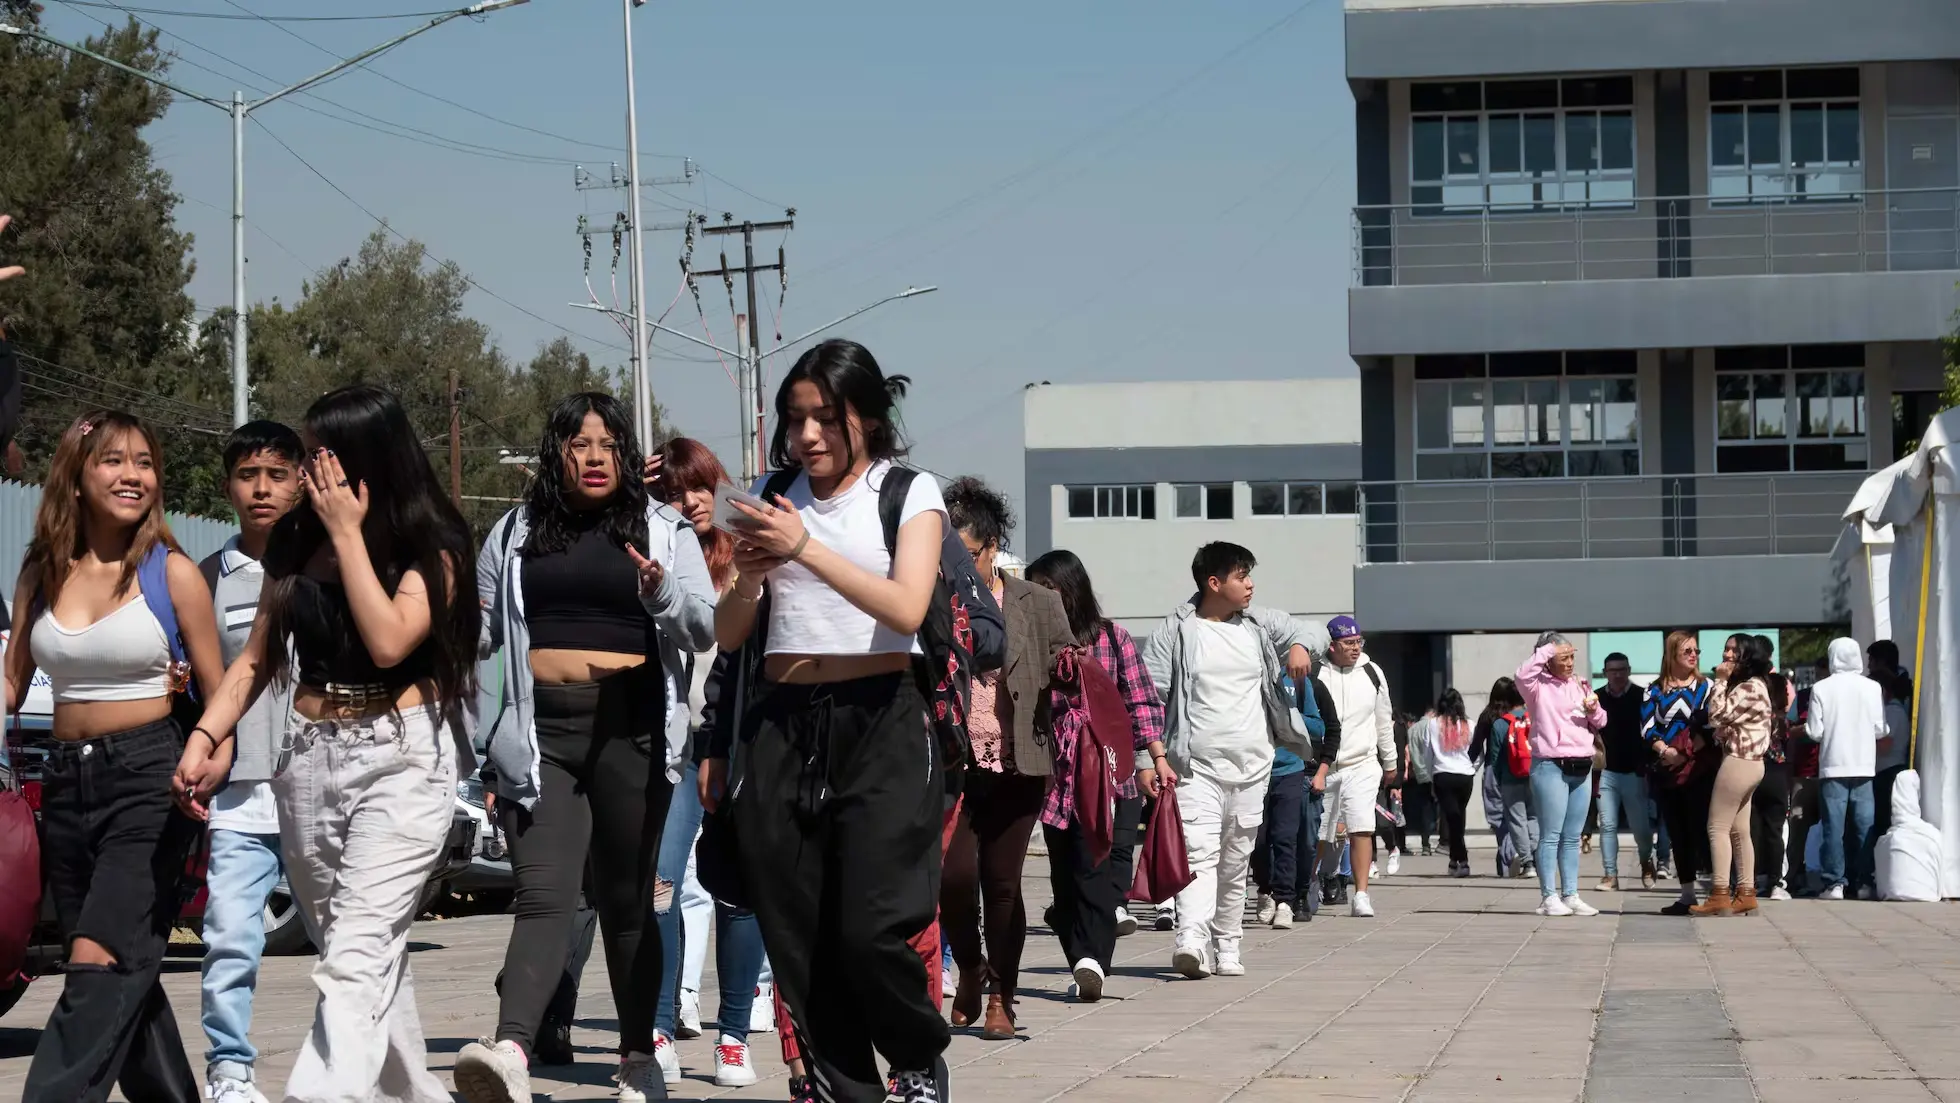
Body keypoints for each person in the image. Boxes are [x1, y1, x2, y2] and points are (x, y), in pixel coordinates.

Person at [173, 385, 481, 1103]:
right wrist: (206, 732)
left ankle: (319, 1094)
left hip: (400, 761)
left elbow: (387, 641)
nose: (305, 469)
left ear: (367, 458)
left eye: (320, 454)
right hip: (309, 760)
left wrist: (348, 534)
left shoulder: (433, 544)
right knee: (368, 956)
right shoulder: (291, 538)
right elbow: (255, 659)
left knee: (353, 958)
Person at [702, 339, 953, 1103]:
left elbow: (907, 606)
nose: (807, 435)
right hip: (782, 723)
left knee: (872, 925)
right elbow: (732, 631)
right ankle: (851, 1089)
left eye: (825, 418)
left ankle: (916, 1056)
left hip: (880, 719)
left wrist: (803, 548)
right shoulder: (773, 494)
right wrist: (749, 572)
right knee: (799, 934)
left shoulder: (908, 494)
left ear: (868, 418)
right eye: (794, 418)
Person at [457, 393, 717, 1102]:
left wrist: (661, 594)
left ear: (626, 455)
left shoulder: (663, 530)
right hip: (541, 734)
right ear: (557, 454)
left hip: (631, 727)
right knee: (544, 895)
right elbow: (480, 633)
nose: (595, 455)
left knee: (629, 903)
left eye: (607, 443)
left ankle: (637, 1056)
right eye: (579, 442)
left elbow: (702, 628)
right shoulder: (513, 532)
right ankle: (511, 1047)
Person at [11, 410, 224, 1103]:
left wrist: (210, 763)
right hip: (65, 783)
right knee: (121, 966)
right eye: (112, 460)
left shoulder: (175, 574)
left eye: (143, 461)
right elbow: (11, 681)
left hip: (149, 780)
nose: (132, 474)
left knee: (96, 961)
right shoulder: (41, 570)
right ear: (76, 476)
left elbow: (223, 701)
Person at [644, 435, 770, 1089]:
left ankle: (731, 1037)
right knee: (660, 887)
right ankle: (660, 1026)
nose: (687, 502)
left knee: (738, 893)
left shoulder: (745, 549)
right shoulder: (657, 545)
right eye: (671, 493)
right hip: (675, 748)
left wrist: (725, 508)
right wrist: (638, 500)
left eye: (698, 488)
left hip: (740, 745)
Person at [1140, 542, 1317, 975]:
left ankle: (1228, 945)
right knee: (1200, 854)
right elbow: (1146, 697)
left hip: (1254, 765)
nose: (1250, 584)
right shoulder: (1176, 631)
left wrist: (1299, 646)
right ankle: (1192, 941)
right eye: (1241, 576)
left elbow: (1314, 630)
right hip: (1195, 767)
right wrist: (1146, 761)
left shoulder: (1258, 624)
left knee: (1236, 861)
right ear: (1214, 583)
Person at [937, 477, 1071, 1037]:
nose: (957, 567)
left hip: (1020, 759)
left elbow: (1065, 656)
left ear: (991, 547)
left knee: (1003, 883)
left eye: (966, 555)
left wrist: (1065, 666)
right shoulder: (931, 594)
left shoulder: (1037, 601)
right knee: (954, 878)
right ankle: (970, 967)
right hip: (955, 759)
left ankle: (1003, 996)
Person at [197, 422, 305, 1103]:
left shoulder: (329, 564)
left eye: (275, 473)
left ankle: (364, 1065)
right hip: (240, 795)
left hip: (324, 791)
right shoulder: (209, 576)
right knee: (230, 937)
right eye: (247, 475)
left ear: (301, 480)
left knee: (357, 943)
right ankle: (229, 1070)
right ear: (229, 487)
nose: (261, 488)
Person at [1023, 550, 1168, 997]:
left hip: (1103, 768)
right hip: (1051, 771)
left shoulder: (1112, 638)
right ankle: (1079, 958)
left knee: (1094, 864)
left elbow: (1140, 701)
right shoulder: (1029, 641)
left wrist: (1156, 758)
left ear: (1072, 588)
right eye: (1035, 590)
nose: (1042, 598)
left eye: (1049, 588)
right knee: (1063, 874)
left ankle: (1093, 958)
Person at [1515, 632, 1607, 917]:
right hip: (1550, 765)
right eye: (1563, 657)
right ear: (1548, 658)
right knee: (1551, 834)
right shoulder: (1536, 685)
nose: (1569, 663)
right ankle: (1548, 896)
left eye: (1571, 657)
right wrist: (1548, 650)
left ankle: (1571, 894)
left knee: (1572, 836)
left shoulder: (1580, 684)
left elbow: (1602, 721)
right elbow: (1521, 674)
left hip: (1581, 763)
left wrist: (1594, 710)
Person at [1695, 635, 1782, 916]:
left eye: (1735, 650)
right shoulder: (1757, 685)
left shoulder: (1747, 687)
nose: (1727, 654)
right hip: (1753, 763)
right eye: (1727, 648)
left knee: (1716, 827)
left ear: (1747, 656)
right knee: (1739, 830)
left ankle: (1719, 893)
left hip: (1740, 762)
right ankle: (1746, 892)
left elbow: (1716, 716)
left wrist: (1719, 680)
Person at [1316, 615, 1397, 918]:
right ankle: (1307, 888)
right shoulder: (1317, 672)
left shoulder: (1372, 672)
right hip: (1325, 766)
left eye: (1358, 642)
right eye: (1348, 643)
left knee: (1362, 827)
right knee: (1319, 832)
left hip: (1362, 763)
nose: (1354, 648)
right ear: (1332, 645)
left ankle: (1361, 894)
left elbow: (1383, 720)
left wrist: (1390, 763)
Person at [1253, 663, 1338, 928]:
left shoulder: (1300, 683)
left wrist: (1285, 716)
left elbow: (1319, 726)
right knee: (1258, 840)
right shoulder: (1246, 676)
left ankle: (1285, 902)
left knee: (1287, 839)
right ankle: (1265, 889)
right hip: (1254, 771)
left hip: (1291, 770)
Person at [1644, 631, 1718, 916]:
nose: (1693, 655)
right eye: (1687, 650)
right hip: (1667, 771)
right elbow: (1647, 727)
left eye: (1696, 651)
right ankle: (1687, 894)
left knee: (1703, 830)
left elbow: (1713, 724)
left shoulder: (1706, 686)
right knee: (1677, 832)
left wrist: (1685, 752)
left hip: (1700, 769)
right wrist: (1666, 752)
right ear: (1672, 653)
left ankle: (1716, 890)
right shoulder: (1654, 689)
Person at [1809, 636, 1887, 901]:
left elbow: (1815, 731)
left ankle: (1834, 884)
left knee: (1834, 828)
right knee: (1864, 827)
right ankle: (1864, 882)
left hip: (1832, 765)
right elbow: (1880, 729)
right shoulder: (1872, 687)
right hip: (1864, 765)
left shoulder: (1821, 688)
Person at [1592, 652, 1653, 892]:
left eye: (1621, 669)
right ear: (1605, 672)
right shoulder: (1595, 698)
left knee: (1640, 827)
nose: (1617, 674)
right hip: (1606, 771)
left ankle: (1647, 861)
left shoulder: (1642, 696)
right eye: (1612, 670)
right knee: (1607, 824)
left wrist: (1645, 763)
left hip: (1634, 772)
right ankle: (1610, 874)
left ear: (1628, 670)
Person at [1471, 678, 1533, 878]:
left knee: (1500, 821)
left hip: (1495, 770)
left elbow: (1476, 747)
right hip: (1526, 770)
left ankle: (1512, 855)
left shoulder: (1490, 717)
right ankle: (1522, 856)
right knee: (1525, 817)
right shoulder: (1524, 718)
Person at [1747, 635, 1794, 902]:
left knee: (1750, 826)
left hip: (1750, 760)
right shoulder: (1779, 684)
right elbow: (1786, 719)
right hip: (1775, 761)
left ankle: (1750, 879)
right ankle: (1776, 881)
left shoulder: (1743, 684)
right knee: (1775, 826)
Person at [1416, 689, 1476, 878]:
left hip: (1443, 774)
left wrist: (1430, 772)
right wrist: (1473, 767)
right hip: (1465, 775)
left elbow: (1427, 752)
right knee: (1456, 818)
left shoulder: (1433, 724)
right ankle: (1455, 861)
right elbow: (1477, 752)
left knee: (1454, 818)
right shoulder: (1469, 724)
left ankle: (1461, 860)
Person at [1786, 654, 1830, 896]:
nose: (1824, 674)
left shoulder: (1841, 697)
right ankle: (1793, 875)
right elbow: (1788, 731)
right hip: (1804, 774)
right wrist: (1808, 729)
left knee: (1833, 829)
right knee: (1798, 826)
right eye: (1821, 670)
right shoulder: (1803, 697)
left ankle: (1830, 877)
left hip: (1832, 773)